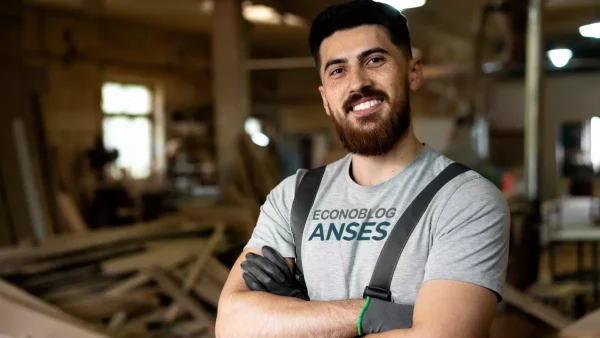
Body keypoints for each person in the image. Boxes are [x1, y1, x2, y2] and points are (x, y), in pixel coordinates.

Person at [215, 1, 510, 337]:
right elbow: (233, 326)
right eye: (338, 70)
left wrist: (297, 318)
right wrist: (375, 315)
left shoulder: (465, 200)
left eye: (374, 60)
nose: (357, 83)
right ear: (326, 98)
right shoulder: (292, 198)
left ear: (413, 72)